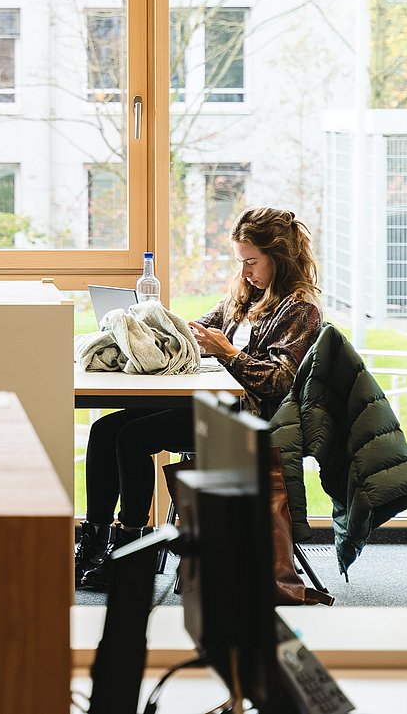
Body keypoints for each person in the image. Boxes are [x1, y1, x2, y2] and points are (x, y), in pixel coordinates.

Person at [74, 207, 324, 590]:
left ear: (280, 257)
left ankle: (130, 552)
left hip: (250, 417)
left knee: (133, 436)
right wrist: (152, 332)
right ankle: (94, 542)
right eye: (241, 262)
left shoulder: (300, 310)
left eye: (252, 262)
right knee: (107, 427)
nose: (245, 272)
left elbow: (280, 382)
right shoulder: (243, 298)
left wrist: (229, 354)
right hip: (216, 404)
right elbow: (197, 331)